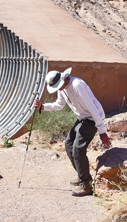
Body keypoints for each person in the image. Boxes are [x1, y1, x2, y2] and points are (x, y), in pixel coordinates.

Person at [33, 67, 111, 197]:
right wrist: (43, 106)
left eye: (58, 86)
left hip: (92, 118)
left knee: (78, 149)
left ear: (64, 79)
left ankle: (87, 185)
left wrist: (102, 131)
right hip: (81, 118)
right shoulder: (63, 88)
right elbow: (59, 105)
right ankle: (82, 176)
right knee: (69, 144)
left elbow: (92, 108)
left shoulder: (77, 85)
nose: (59, 89)